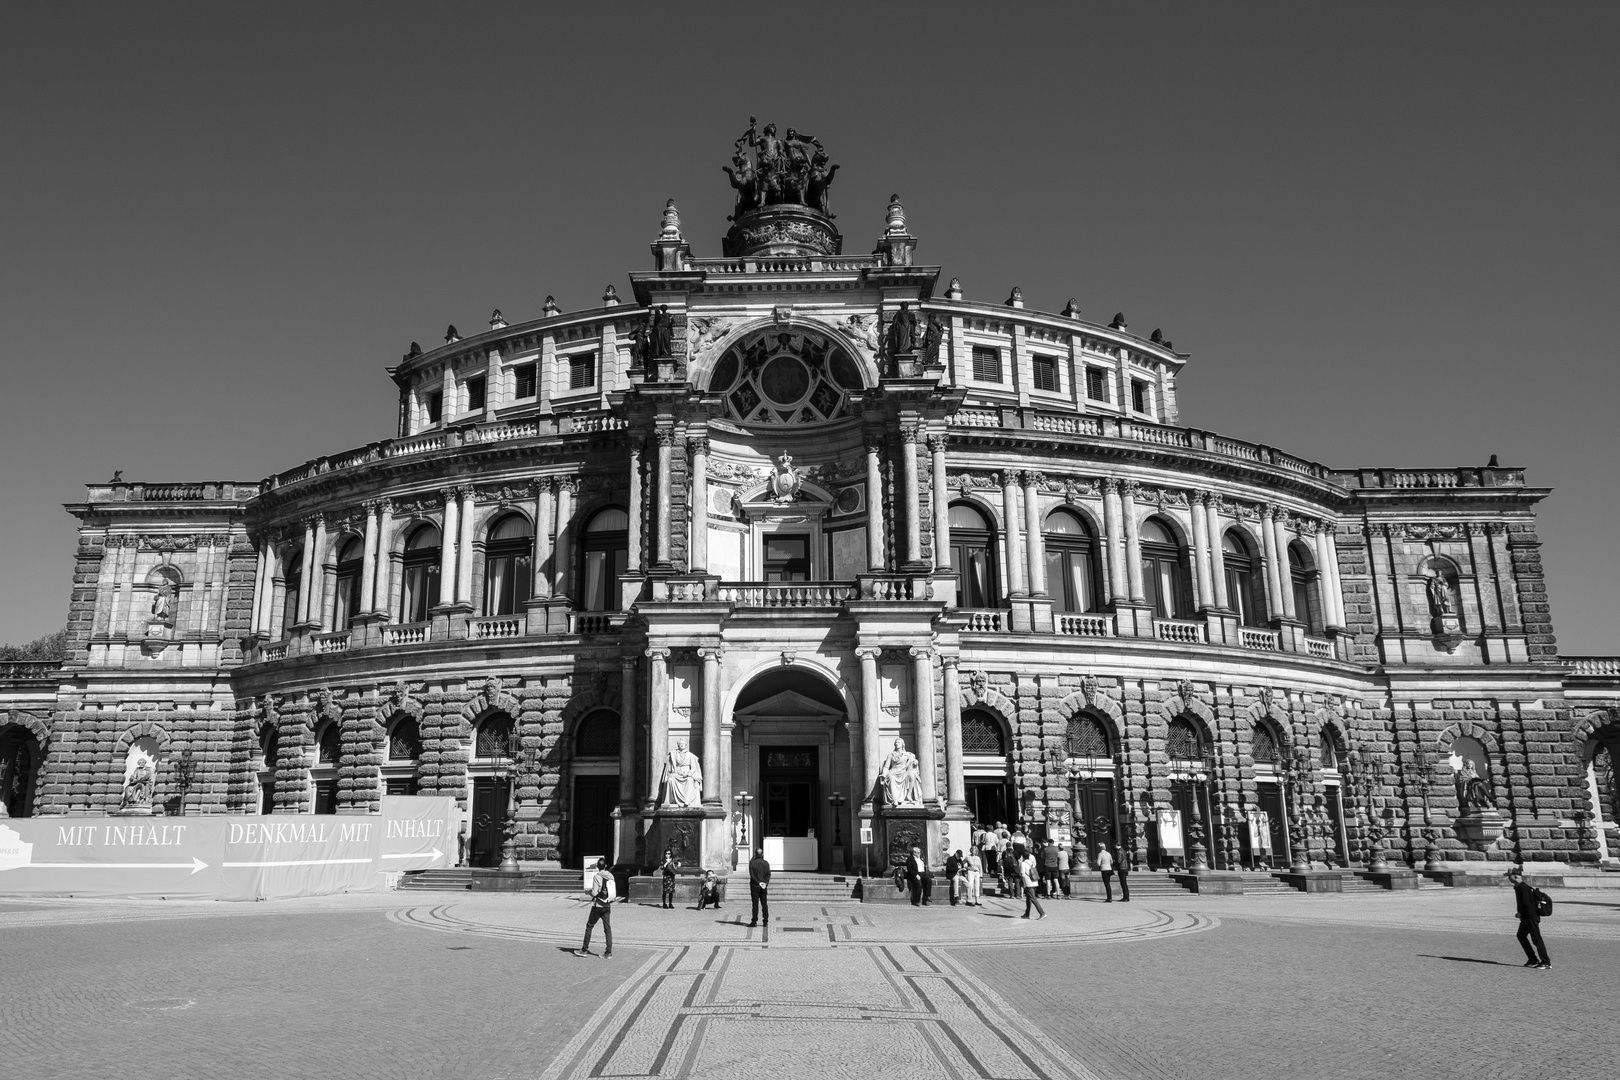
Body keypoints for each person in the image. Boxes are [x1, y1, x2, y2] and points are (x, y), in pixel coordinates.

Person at [1508, 867, 1550, 969]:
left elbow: (1527, 904)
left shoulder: (1523, 888)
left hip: (1530, 917)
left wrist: (1520, 914)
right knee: (1521, 936)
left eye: (1509, 876)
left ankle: (1546, 962)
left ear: (1516, 876)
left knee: (1536, 939)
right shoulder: (1519, 887)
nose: (1508, 878)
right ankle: (1533, 959)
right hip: (1526, 917)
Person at [574, 857, 614, 958]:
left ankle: (584, 950)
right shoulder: (611, 876)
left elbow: (595, 893)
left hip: (598, 906)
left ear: (597, 867)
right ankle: (608, 952)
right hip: (607, 906)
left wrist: (589, 892)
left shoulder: (597, 876)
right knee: (607, 928)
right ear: (605, 866)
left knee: (589, 926)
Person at [1019, 847, 1046, 920]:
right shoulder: (1031, 863)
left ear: (1023, 857)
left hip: (1028, 883)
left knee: (1033, 898)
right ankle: (1027, 913)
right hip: (1034, 882)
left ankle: (1042, 913)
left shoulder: (1023, 863)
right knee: (1028, 898)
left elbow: (1022, 874)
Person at [748, 846, 771, 927]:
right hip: (763, 886)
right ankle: (765, 921)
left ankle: (754, 921)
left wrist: (758, 882)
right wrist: (765, 883)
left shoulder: (752, 863)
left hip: (755, 885)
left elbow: (752, 875)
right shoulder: (766, 863)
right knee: (764, 903)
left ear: (755, 854)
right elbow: (768, 874)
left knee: (755, 904)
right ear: (762, 854)